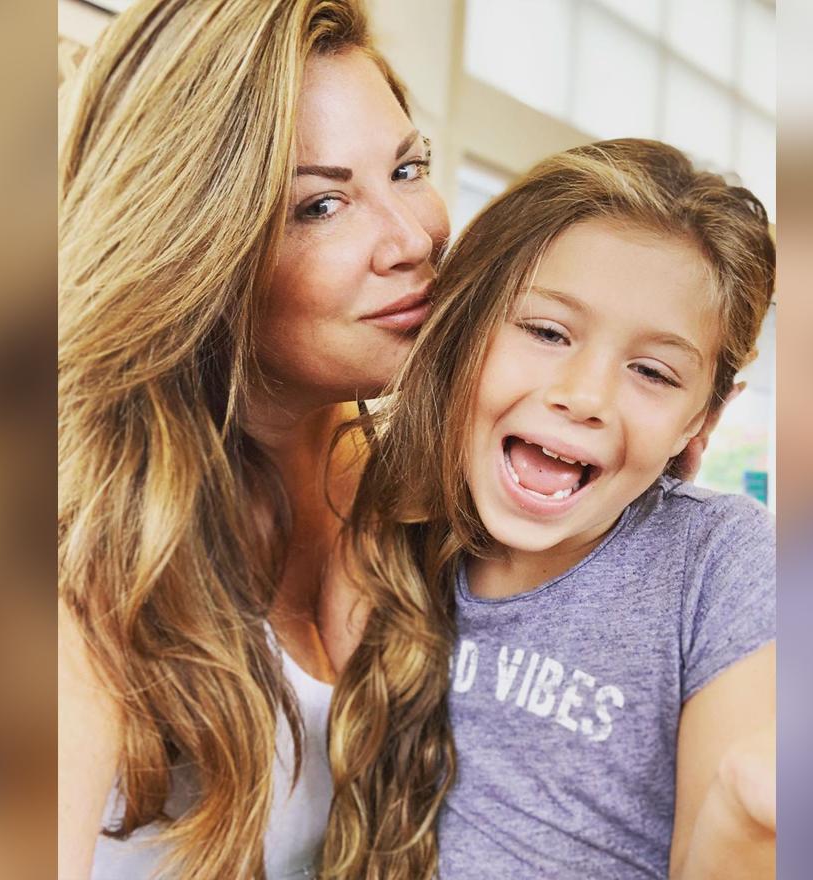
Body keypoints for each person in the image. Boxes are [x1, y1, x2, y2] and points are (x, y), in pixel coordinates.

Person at [56, 1, 449, 878]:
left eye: (410, 167)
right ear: (192, 245)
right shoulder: (76, 567)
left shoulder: (423, 503)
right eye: (320, 205)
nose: (413, 237)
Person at [331, 139, 777, 879]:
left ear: (702, 420)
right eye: (545, 332)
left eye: (654, 373)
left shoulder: (717, 560)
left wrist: (746, 814)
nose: (586, 396)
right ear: (464, 328)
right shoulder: (387, 517)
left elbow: (745, 815)